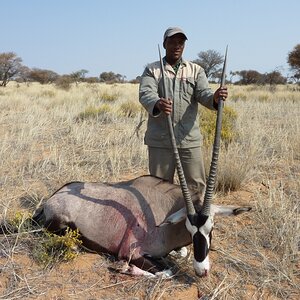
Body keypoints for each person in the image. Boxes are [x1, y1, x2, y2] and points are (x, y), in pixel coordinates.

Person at [139, 27, 228, 199]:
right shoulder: (152, 70)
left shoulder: (196, 70)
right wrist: (157, 103)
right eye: (172, 42)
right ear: (165, 44)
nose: (177, 46)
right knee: (159, 189)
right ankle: (162, 224)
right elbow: (145, 94)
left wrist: (215, 98)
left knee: (196, 188)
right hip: (161, 140)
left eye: (181, 42)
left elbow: (204, 95)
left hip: (189, 140)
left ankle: (195, 225)